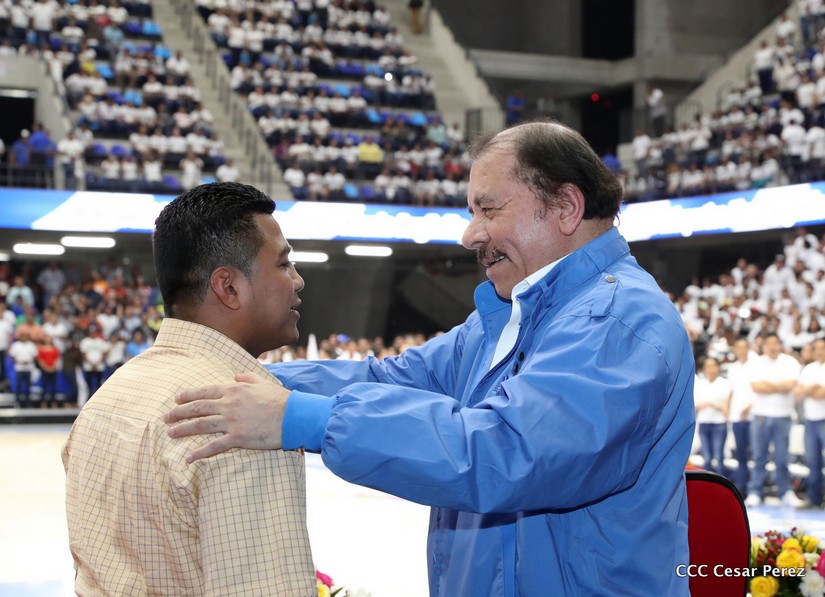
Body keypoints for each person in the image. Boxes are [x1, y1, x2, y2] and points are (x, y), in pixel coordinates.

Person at [166, 121, 696, 595]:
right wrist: (221, 374)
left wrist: (302, 418)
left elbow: (505, 452)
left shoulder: (618, 321)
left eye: (489, 209)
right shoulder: (509, 317)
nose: (470, 235)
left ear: (566, 207)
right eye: (472, 212)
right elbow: (390, 378)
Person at [62, 182, 316, 595]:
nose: (298, 280)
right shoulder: (245, 419)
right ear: (228, 287)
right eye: (284, 263)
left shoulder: (108, 397)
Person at [744, 333, 805, 508]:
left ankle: (785, 492)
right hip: (761, 415)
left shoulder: (790, 362)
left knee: (782, 457)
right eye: (769, 343)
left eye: (775, 343)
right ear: (764, 345)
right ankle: (755, 492)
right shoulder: (756, 362)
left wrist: (768, 385)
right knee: (759, 456)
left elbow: (790, 386)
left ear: (780, 345)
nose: (772, 347)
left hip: (783, 415)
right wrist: (779, 386)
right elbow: (756, 387)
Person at [795, 338, 825, 508]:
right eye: (817, 348)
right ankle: (814, 499)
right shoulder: (808, 369)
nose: (820, 351)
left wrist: (809, 390)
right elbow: (798, 393)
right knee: (813, 462)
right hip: (810, 421)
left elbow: (822, 393)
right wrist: (813, 388)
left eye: (823, 348)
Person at [725, 338, 757, 495]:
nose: (742, 350)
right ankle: (742, 487)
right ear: (735, 350)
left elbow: (759, 389)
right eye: (739, 347)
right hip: (737, 417)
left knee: (756, 454)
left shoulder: (756, 365)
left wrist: (750, 406)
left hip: (754, 416)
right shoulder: (732, 368)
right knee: (741, 454)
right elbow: (732, 391)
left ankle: (755, 488)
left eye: (744, 347)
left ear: (748, 348)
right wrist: (727, 407)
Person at [694, 356, 731, 476]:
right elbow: (694, 405)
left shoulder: (725, 384)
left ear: (718, 367)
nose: (710, 369)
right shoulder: (700, 384)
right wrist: (702, 405)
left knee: (719, 456)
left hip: (719, 423)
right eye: (707, 366)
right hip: (704, 423)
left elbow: (726, 408)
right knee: (707, 457)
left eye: (712, 366)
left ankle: (721, 482)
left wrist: (714, 405)